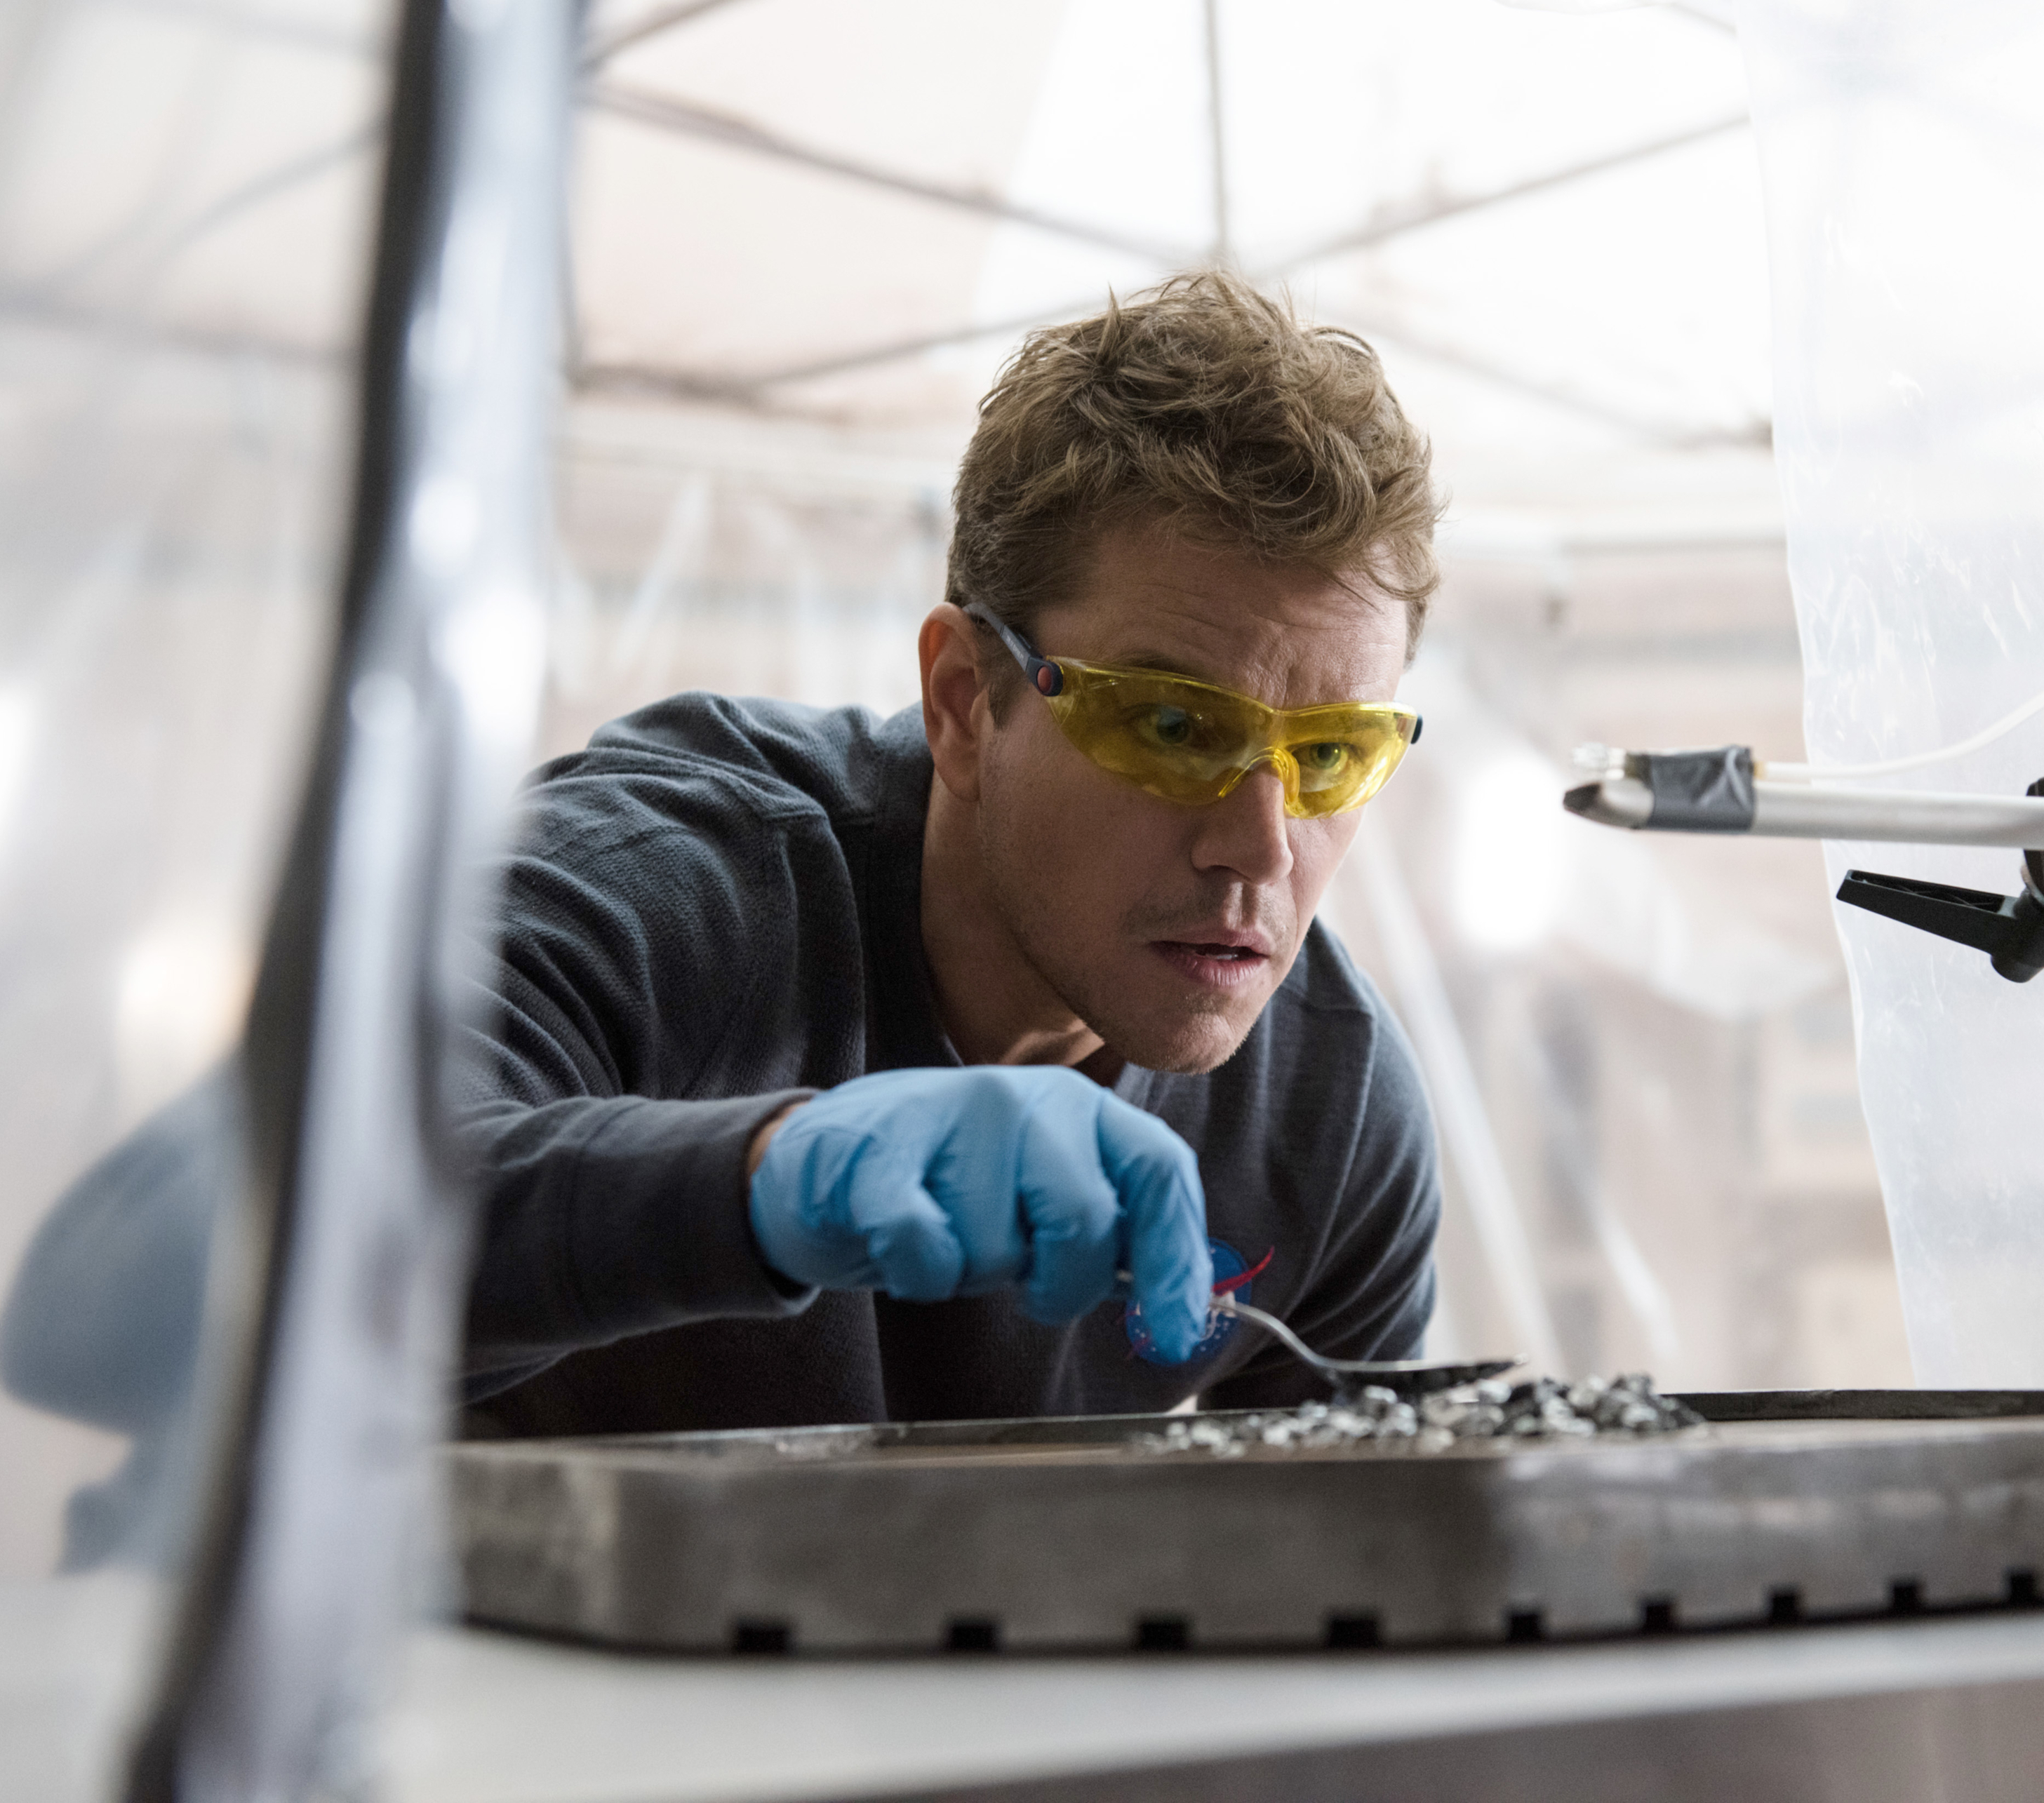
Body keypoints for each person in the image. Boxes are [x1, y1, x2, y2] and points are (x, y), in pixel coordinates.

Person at [453, 270, 1445, 1435]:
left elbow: (1354, 1562)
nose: (1260, 850)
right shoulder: (662, 885)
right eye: (1175, 727)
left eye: (1330, 757)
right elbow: (280, 1220)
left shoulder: (1325, 1107)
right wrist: (761, 1179)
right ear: (965, 700)